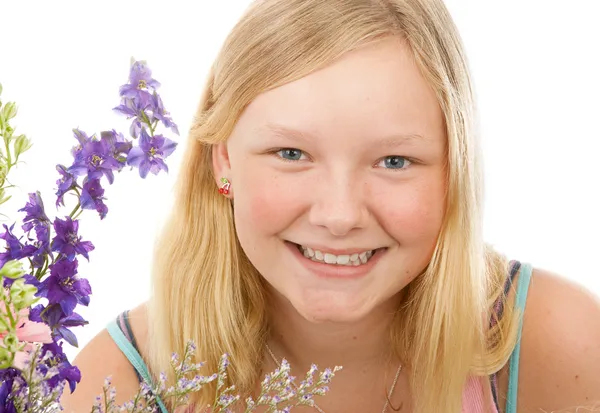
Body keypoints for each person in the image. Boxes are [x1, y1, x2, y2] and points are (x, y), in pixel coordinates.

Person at [61, 0, 600, 412]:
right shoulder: (120, 386)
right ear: (222, 158)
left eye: (394, 161)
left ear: (454, 170)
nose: (339, 215)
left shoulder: (557, 347)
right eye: (291, 153)